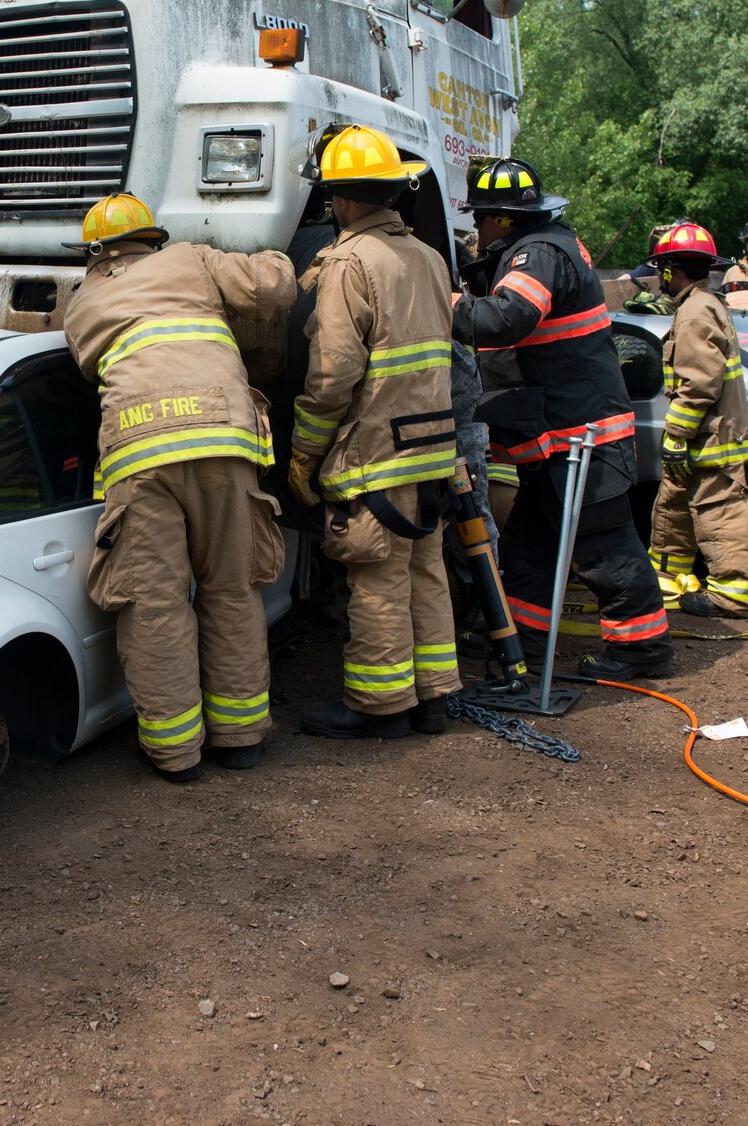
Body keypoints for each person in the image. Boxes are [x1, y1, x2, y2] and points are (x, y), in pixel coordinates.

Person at [63, 194, 296, 780]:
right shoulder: (192, 259)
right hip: (224, 440)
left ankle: (175, 754)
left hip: (141, 455)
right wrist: (288, 260)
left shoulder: (82, 306)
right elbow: (270, 290)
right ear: (153, 239)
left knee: (155, 606)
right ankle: (241, 739)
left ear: (94, 253)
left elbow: (92, 371)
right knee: (232, 588)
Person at [451, 157, 672, 681]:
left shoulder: (541, 252)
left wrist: (445, 299)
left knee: (605, 548)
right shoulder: (540, 247)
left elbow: (505, 318)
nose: (478, 229)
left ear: (504, 219)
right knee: (530, 547)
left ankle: (642, 649)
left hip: (585, 438)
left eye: (481, 219)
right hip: (561, 440)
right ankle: (523, 639)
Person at [288, 125, 463, 738]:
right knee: (425, 573)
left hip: (376, 455)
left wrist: (305, 454)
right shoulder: (430, 258)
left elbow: (333, 374)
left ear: (342, 199)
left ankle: (380, 708)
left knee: (378, 582)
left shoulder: (350, 262)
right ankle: (434, 699)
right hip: (434, 451)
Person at [644, 221, 748, 619]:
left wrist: (676, 433)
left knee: (720, 512)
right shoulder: (701, 305)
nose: (658, 279)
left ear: (671, 271)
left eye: (661, 270)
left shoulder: (695, 313)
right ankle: (666, 580)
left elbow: (698, 384)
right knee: (673, 505)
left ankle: (734, 594)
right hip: (703, 436)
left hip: (710, 439)